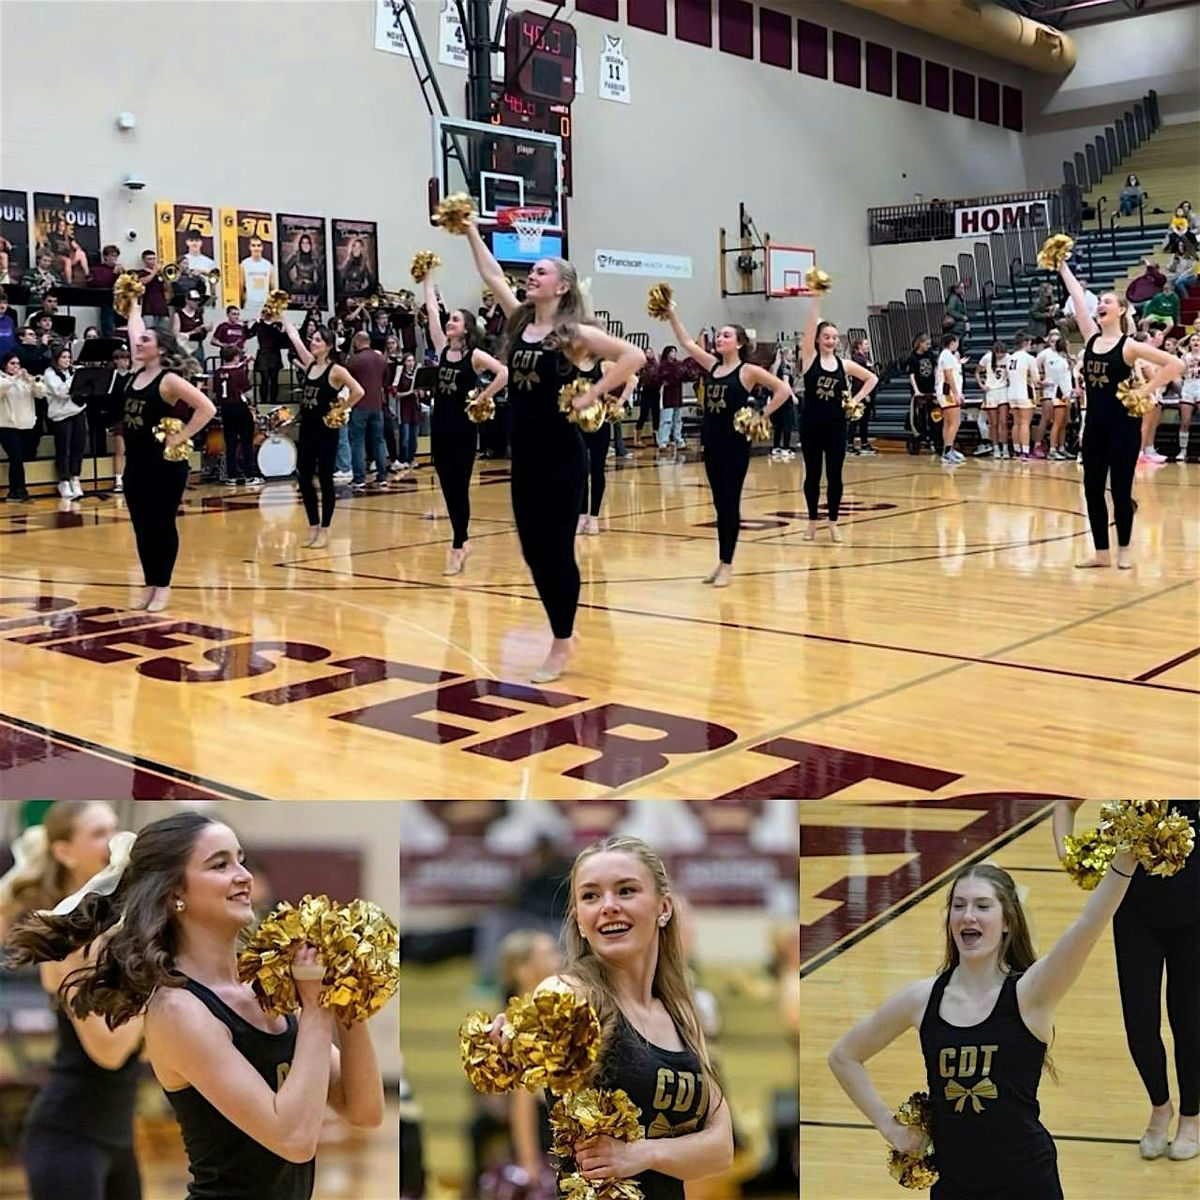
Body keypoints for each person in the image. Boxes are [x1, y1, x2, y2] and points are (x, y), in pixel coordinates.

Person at [5, 810, 385, 1200]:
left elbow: (364, 1111)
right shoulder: (178, 1009)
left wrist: (346, 993)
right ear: (175, 895)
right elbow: (294, 1139)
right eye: (220, 864)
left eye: (240, 859)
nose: (244, 875)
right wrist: (317, 1010)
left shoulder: (267, 982)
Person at [829, 851, 1146, 1200]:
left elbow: (1088, 924)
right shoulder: (921, 999)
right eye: (959, 905)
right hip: (954, 1187)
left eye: (982, 906)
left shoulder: (1031, 993)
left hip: (1027, 1184)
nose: (968, 916)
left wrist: (1126, 861)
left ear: (1007, 920)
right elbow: (844, 1056)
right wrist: (890, 1127)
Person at [489, 837, 734, 1200]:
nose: (608, 906)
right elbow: (529, 1036)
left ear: (663, 907)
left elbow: (721, 1147)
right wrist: (515, 1036)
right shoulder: (568, 994)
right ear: (579, 920)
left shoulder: (682, 1011)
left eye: (626, 890)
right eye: (590, 896)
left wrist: (641, 1153)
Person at [462, 219, 644, 682]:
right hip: (524, 456)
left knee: (558, 550)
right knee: (532, 549)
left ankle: (561, 640)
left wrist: (592, 392)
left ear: (561, 286)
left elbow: (633, 358)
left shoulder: (575, 333)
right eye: (533, 273)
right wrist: (469, 231)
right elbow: (492, 275)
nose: (532, 278)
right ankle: (563, 630)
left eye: (541, 273)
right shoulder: (522, 320)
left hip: (563, 457)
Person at [0, 802, 146, 1200]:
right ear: (64, 852)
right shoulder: (65, 942)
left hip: (118, 1139)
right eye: (99, 833)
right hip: (69, 1138)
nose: (114, 842)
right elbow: (110, 1051)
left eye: (115, 829)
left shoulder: (121, 929)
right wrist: (157, 990)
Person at [1052, 802, 1199, 1162]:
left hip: (1195, 913)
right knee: (1140, 1024)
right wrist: (1069, 856)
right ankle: (1160, 1107)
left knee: (1190, 1023)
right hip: (1134, 912)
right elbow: (1066, 803)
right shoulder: (1129, 764)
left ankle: (1191, 1118)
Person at [1059, 259, 1182, 569]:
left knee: (1122, 489)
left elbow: (1175, 365)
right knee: (1092, 489)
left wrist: (1145, 390)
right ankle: (1101, 553)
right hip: (1095, 428)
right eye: (1099, 301)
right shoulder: (1090, 339)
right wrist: (1061, 266)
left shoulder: (1129, 347)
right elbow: (1076, 297)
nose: (1100, 304)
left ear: (1121, 311)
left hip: (1124, 427)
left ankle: (1124, 549)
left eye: (1107, 302)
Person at [666, 308, 792, 576]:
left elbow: (783, 390)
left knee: (730, 502)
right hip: (711, 443)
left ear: (739, 343)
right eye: (719, 335)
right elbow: (687, 343)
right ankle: (722, 560)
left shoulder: (748, 371)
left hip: (735, 445)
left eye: (725, 335)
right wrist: (671, 314)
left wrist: (761, 415)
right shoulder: (713, 366)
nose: (719, 339)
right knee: (718, 503)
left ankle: (727, 563)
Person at [119, 291, 216, 611]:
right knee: (141, 526)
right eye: (139, 340)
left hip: (164, 466)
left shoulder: (169, 380)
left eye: (145, 340)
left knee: (161, 524)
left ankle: (163, 586)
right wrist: (132, 303)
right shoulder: (136, 370)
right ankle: (149, 583)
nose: (138, 342)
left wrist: (181, 436)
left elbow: (207, 408)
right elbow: (134, 326)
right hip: (135, 464)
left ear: (159, 348)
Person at [422, 268, 507, 574]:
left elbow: (503, 373)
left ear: (467, 328)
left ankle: (459, 545)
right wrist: (428, 279)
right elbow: (432, 309)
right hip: (440, 429)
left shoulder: (475, 356)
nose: (449, 322)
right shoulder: (442, 349)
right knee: (447, 488)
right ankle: (461, 541)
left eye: (455, 319)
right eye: (450, 319)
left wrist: (484, 396)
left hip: (463, 431)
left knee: (459, 489)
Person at [282, 317, 364, 547]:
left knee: (326, 479)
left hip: (326, 431)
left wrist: (342, 409)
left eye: (318, 340)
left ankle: (326, 530)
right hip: (307, 429)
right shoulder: (309, 365)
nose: (313, 342)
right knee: (305, 479)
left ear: (328, 345)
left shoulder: (336, 370)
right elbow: (295, 339)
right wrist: (283, 316)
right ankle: (313, 527)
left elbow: (358, 391)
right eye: (313, 339)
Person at [345, 331, 391, 491]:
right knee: (378, 441)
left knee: (357, 442)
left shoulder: (354, 360)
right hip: (377, 405)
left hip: (359, 405)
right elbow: (386, 380)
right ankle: (382, 476)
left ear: (357, 342)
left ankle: (359, 479)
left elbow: (346, 381)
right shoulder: (381, 359)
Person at [44, 346, 87, 499]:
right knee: (64, 449)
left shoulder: (72, 372)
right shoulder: (49, 374)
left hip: (78, 411)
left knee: (78, 447)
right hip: (61, 415)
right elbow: (61, 392)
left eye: (69, 357)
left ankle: (75, 478)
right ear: (56, 359)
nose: (67, 361)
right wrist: (77, 379)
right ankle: (64, 480)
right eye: (63, 357)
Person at [212, 346, 258, 486]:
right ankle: (249, 475)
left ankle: (232, 475)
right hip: (240, 408)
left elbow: (215, 393)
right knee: (246, 442)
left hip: (226, 409)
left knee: (230, 443)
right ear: (235, 357)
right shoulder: (239, 372)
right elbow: (247, 391)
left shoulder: (218, 372)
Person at [0, 350, 41, 501]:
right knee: (16, 457)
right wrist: (15, 378)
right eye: (12, 363)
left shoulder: (24, 380)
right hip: (6, 426)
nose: (16, 366)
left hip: (25, 425)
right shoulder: (2, 379)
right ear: (5, 365)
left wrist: (32, 381)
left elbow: (40, 394)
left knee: (19, 459)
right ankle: (19, 490)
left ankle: (16, 491)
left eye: (18, 364)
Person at [1035, 332, 1073, 460]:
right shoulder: (1046, 354)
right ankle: (1042, 446)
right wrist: (1040, 381)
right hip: (1053, 392)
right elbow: (1034, 367)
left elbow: (1067, 378)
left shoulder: (1064, 358)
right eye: (1052, 341)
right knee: (1049, 420)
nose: (1054, 344)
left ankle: (1060, 447)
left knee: (1063, 422)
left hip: (1063, 392)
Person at [1004, 332, 1038, 460]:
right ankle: (1025, 451)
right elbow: (1035, 378)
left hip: (1012, 393)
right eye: (1030, 343)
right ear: (1025, 343)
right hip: (1025, 393)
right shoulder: (1029, 358)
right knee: (1025, 423)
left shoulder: (1010, 358)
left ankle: (1017, 450)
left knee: (1016, 423)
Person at [975, 339, 1009, 459]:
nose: (1000, 355)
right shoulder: (987, 357)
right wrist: (981, 385)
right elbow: (977, 371)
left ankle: (1005, 447)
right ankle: (995, 448)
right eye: (998, 353)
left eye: (1002, 353)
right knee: (993, 424)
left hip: (1003, 391)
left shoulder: (1008, 358)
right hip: (991, 392)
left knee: (1003, 423)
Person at [935, 333, 965, 464]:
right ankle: (947, 451)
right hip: (948, 393)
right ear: (952, 342)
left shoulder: (946, 355)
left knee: (947, 423)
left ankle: (947, 449)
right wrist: (956, 393)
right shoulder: (946, 355)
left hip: (946, 392)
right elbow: (948, 376)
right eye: (957, 342)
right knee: (955, 422)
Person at [847, 335, 877, 456]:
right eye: (865, 344)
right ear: (859, 346)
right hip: (860, 394)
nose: (868, 346)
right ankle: (849, 444)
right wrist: (865, 394)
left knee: (864, 420)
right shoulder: (858, 360)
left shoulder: (865, 359)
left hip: (866, 393)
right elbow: (859, 379)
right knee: (855, 419)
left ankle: (864, 443)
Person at [88, 246, 124, 338]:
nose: (114, 258)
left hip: (120, 304)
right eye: (112, 256)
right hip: (106, 302)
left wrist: (123, 275)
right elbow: (98, 283)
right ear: (105, 257)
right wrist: (113, 274)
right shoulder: (98, 269)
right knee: (108, 327)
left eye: (116, 256)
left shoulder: (120, 270)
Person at [239, 237, 276, 323]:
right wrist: (244, 301)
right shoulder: (244, 264)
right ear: (250, 247)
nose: (256, 248)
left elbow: (273, 287)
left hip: (264, 305)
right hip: (249, 305)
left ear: (262, 247)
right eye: (253, 245)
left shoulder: (268, 265)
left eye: (258, 246)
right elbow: (241, 286)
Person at [172, 290, 211, 368]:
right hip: (185, 346)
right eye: (194, 300)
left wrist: (205, 329)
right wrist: (192, 332)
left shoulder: (198, 314)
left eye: (198, 300)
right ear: (187, 300)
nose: (196, 302)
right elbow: (176, 334)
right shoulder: (179, 314)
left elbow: (201, 330)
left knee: (199, 366)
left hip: (197, 344)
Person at [1178, 332, 1199, 462]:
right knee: (1185, 422)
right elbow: (1179, 344)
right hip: (1188, 386)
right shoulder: (1185, 356)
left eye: (1198, 339)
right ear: (1190, 343)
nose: (1196, 342)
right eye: (1193, 340)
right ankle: (1183, 450)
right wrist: (1189, 335)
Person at [135, 250, 169, 330]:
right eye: (149, 259)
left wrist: (165, 278)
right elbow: (143, 282)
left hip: (162, 307)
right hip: (148, 308)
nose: (153, 261)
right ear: (144, 260)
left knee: (164, 333)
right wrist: (154, 272)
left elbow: (166, 288)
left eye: (154, 259)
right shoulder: (140, 273)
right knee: (149, 331)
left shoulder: (160, 273)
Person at [634, 349, 661, 448]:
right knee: (643, 414)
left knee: (656, 414)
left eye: (650, 352)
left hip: (655, 391)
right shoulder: (642, 365)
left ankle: (656, 438)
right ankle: (637, 439)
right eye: (647, 352)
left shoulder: (656, 365)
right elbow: (640, 377)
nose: (649, 354)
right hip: (646, 390)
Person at [283, 232, 323, 297]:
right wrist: (290, 285)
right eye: (303, 243)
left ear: (310, 245)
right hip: (297, 288)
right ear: (300, 245)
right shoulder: (296, 256)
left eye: (307, 243)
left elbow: (321, 276)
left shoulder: (314, 258)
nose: (305, 245)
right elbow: (285, 270)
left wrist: (316, 287)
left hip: (311, 289)